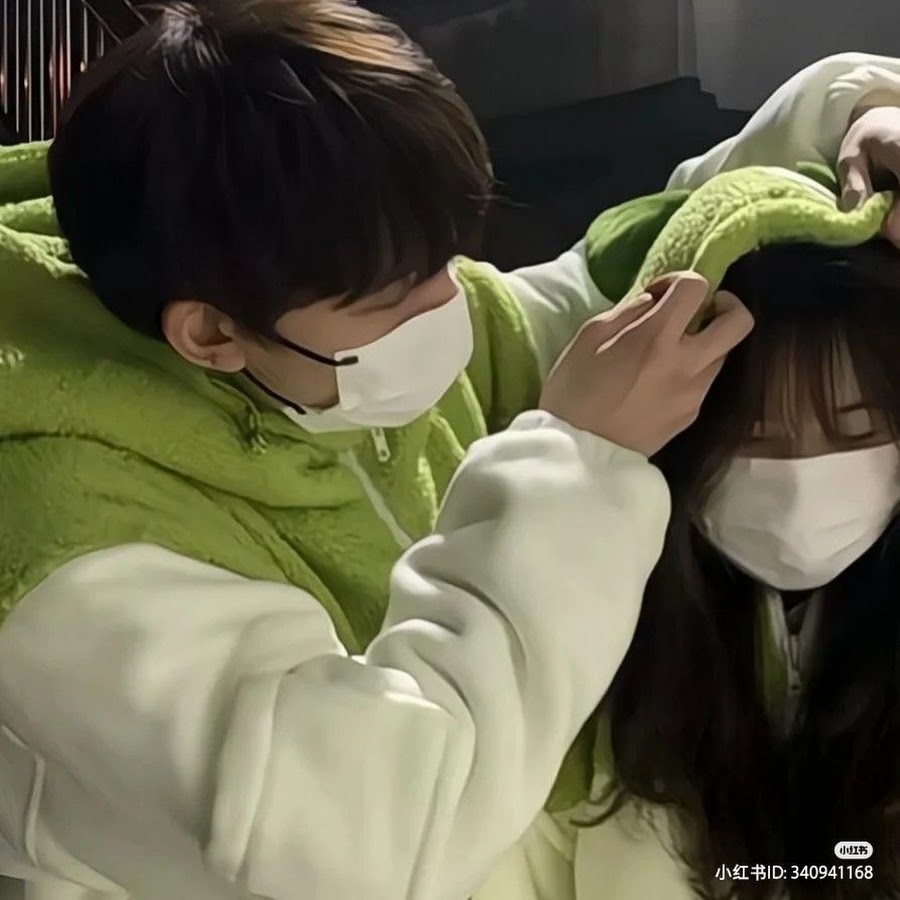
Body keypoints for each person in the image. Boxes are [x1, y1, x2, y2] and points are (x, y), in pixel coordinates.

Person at [0, 0, 899, 895]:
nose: (450, 305)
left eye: (449, 258)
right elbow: (375, 842)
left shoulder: (322, 340)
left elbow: (630, 277)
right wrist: (580, 462)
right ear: (210, 334)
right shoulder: (71, 558)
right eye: (395, 291)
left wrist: (851, 116)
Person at [473, 164, 900, 900]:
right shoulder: (580, 655)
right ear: (682, 445)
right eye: (756, 436)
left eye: (856, 431)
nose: (802, 480)